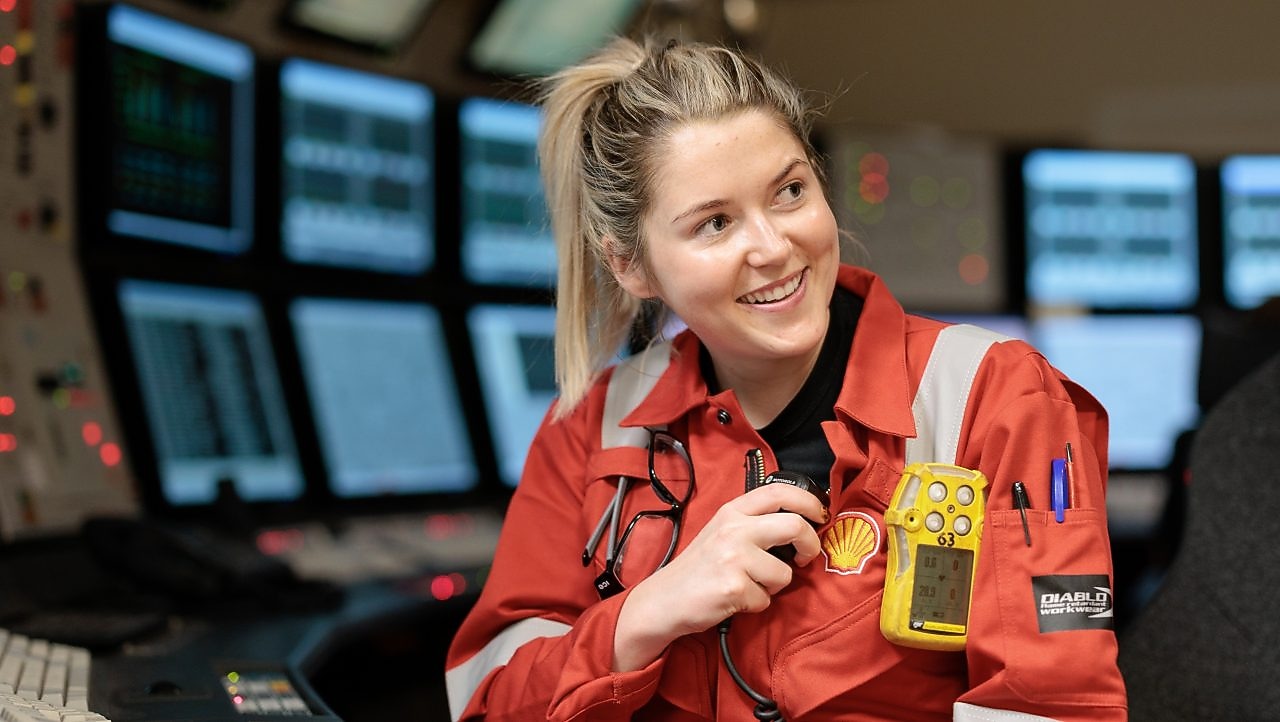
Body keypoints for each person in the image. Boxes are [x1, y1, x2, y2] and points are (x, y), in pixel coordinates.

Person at [445, 36, 1127, 721]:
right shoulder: (590, 431)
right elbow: (488, 701)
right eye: (714, 223)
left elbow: (1055, 706)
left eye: (790, 192)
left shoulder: (994, 395)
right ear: (631, 265)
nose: (774, 248)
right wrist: (644, 616)